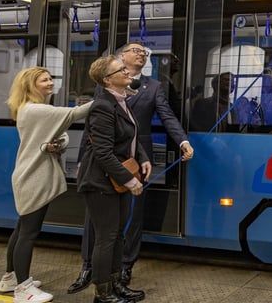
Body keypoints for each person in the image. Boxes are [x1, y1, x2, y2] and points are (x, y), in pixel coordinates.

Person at [69, 42, 194, 294]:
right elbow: (94, 133)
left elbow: (165, 116)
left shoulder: (153, 87)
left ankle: (122, 272)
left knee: (128, 222)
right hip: (107, 166)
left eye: (144, 52)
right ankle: (89, 269)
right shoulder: (104, 94)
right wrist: (84, 157)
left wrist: (180, 141)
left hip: (134, 160)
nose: (142, 54)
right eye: (136, 50)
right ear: (121, 57)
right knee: (99, 225)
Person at [0, 66, 92, 303]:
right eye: (44, 80)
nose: (51, 82)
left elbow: (42, 140)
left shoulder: (27, 110)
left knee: (21, 229)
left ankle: (9, 278)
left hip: (27, 174)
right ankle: (23, 289)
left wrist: (49, 146)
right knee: (28, 233)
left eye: (51, 78)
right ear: (31, 85)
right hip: (33, 177)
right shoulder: (37, 109)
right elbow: (75, 114)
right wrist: (109, 95)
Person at [77, 56, 149, 303]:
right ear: (108, 80)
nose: (128, 71)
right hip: (99, 182)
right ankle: (102, 293)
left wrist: (143, 158)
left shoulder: (121, 101)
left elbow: (129, 138)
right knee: (106, 237)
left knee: (118, 234)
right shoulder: (102, 106)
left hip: (114, 179)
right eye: (122, 70)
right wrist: (130, 180)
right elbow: (103, 152)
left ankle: (116, 284)